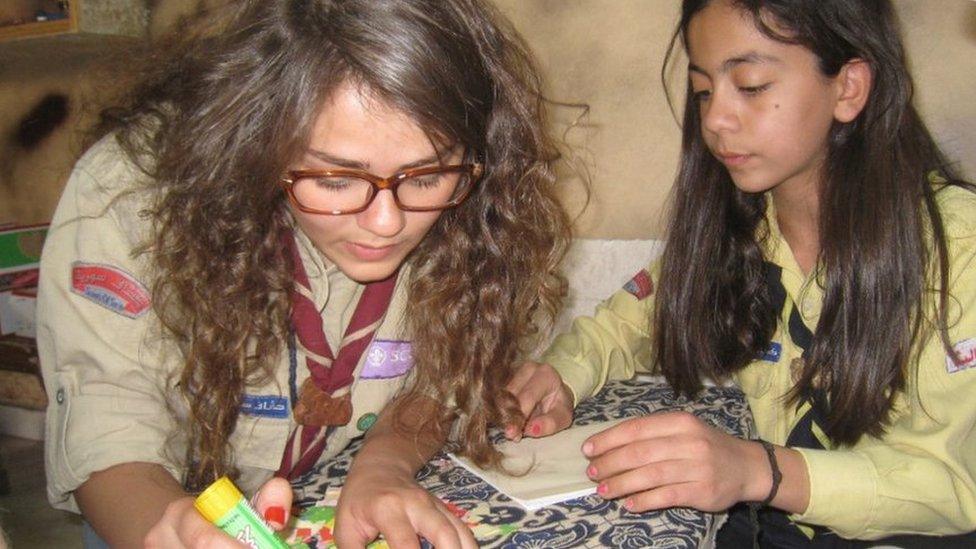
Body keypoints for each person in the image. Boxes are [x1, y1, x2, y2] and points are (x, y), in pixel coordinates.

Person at [36, 0, 570, 547]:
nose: (387, 223)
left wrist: (383, 465)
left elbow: (443, 368)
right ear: (257, 141)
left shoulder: (475, 206)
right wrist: (168, 526)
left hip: (325, 485)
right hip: (153, 503)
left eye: (427, 175)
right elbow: (107, 413)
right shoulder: (130, 188)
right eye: (337, 179)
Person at [505, 0, 976, 546]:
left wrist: (760, 471)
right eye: (704, 91)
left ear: (848, 88)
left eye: (750, 85)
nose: (715, 119)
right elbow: (627, 324)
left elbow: (956, 483)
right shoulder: (739, 234)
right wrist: (559, 376)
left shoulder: (957, 250)